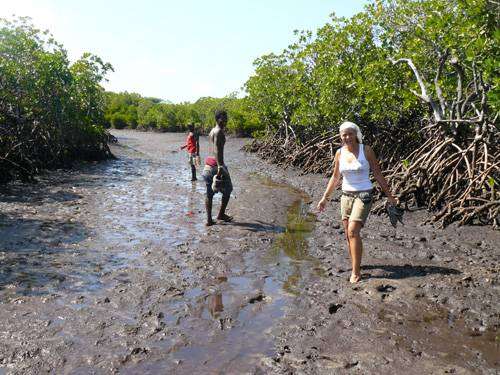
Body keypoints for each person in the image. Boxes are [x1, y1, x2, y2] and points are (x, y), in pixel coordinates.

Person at [317, 121, 398, 283]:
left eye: (350, 134)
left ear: (356, 134)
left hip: (364, 195)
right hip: (346, 196)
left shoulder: (366, 150)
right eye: (344, 135)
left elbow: (377, 173)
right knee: (348, 234)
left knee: (353, 231)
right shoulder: (339, 153)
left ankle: (356, 271)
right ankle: (356, 261)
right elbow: (335, 177)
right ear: (340, 137)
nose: (347, 137)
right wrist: (325, 198)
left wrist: (390, 195)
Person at [202, 110, 233, 226]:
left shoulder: (212, 131)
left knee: (209, 194)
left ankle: (209, 220)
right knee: (228, 189)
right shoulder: (219, 131)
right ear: (218, 119)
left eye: (226, 118)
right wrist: (220, 166)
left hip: (208, 166)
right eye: (224, 118)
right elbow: (216, 150)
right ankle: (221, 214)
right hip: (216, 166)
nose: (226, 120)